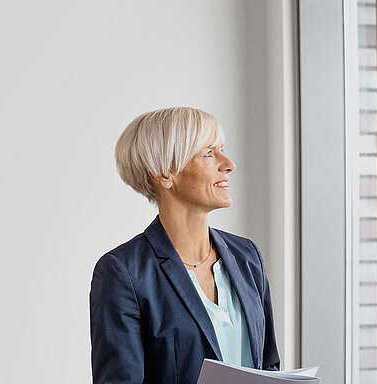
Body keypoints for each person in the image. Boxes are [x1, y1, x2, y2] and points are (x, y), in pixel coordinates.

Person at [90, 107, 280, 384]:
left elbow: (269, 365)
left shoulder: (247, 256)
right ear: (164, 173)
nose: (228, 163)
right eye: (208, 153)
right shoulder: (123, 273)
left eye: (221, 149)